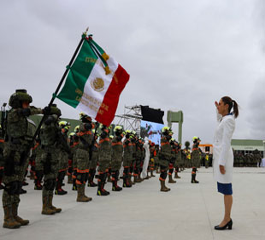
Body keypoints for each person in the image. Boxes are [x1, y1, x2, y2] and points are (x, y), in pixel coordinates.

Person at [2, 89, 44, 228]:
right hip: (13, 153)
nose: (27, 105)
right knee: (10, 184)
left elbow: (28, 112)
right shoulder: (14, 114)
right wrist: (42, 111)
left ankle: (15, 214)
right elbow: (26, 111)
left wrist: (43, 110)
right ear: (18, 103)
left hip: (23, 152)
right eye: (25, 102)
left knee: (17, 185)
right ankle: (7, 217)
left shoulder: (25, 119)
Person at [213, 96, 239, 230]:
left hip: (224, 159)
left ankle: (227, 219)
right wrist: (217, 110)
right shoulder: (224, 119)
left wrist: (222, 163)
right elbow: (219, 123)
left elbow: (226, 142)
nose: (219, 105)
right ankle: (227, 218)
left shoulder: (229, 121)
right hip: (220, 158)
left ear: (227, 106)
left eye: (221, 104)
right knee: (224, 189)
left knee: (227, 189)